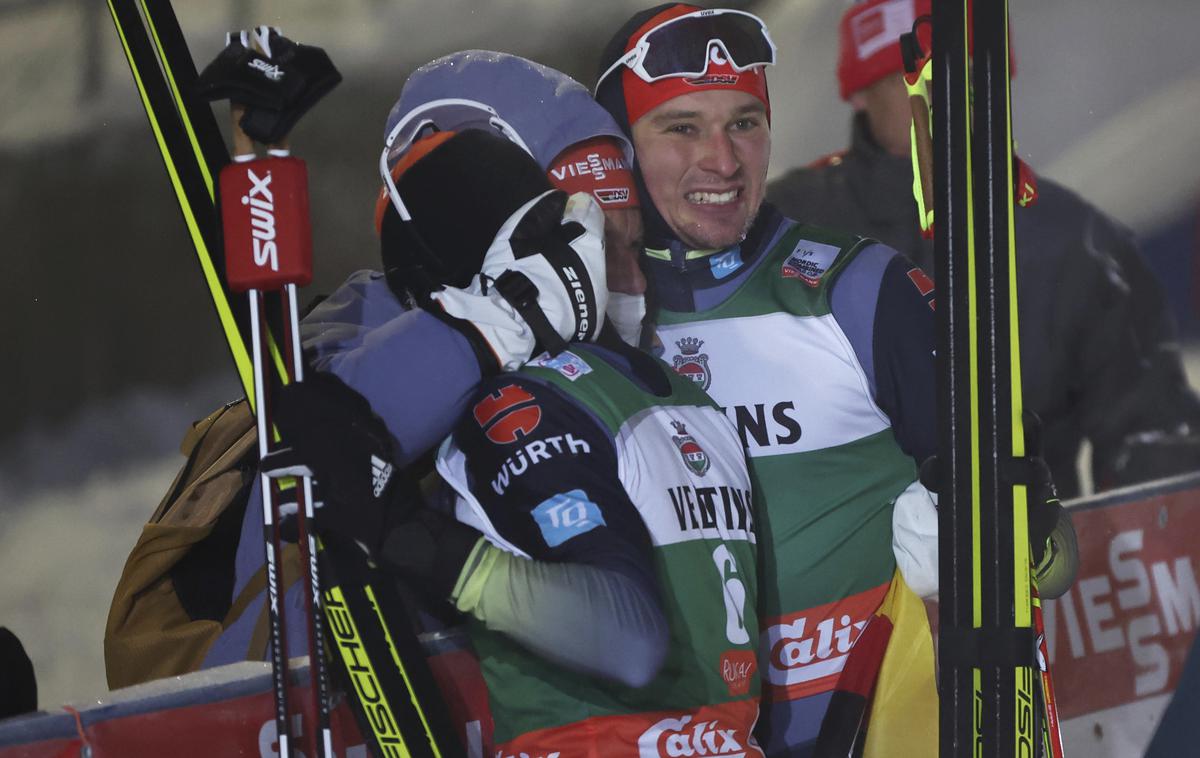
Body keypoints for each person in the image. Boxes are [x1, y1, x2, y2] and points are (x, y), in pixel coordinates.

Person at [278, 125, 765, 754]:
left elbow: (628, 639)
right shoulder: (688, 399)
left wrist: (413, 541)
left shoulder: (518, 401)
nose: (601, 261)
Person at [202, 52, 652, 669]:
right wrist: (502, 317)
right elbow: (326, 435)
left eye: (633, 244)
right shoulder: (354, 332)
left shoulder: (588, 353)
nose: (630, 282)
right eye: (589, 246)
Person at [593, 6, 945, 755]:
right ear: (619, 147)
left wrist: (998, 534)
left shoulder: (860, 292)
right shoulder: (579, 322)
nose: (722, 160)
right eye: (681, 127)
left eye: (745, 123)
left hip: (866, 732)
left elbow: (1034, 534)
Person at [767, 0, 1200, 498]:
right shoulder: (787, 227)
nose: (948, 98)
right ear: (860, 94)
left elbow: (1153, 438)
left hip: (1028, 559)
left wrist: (1133, 547)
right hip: (842, 565)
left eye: (969, 76)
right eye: (918, 81)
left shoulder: (1072, 239)